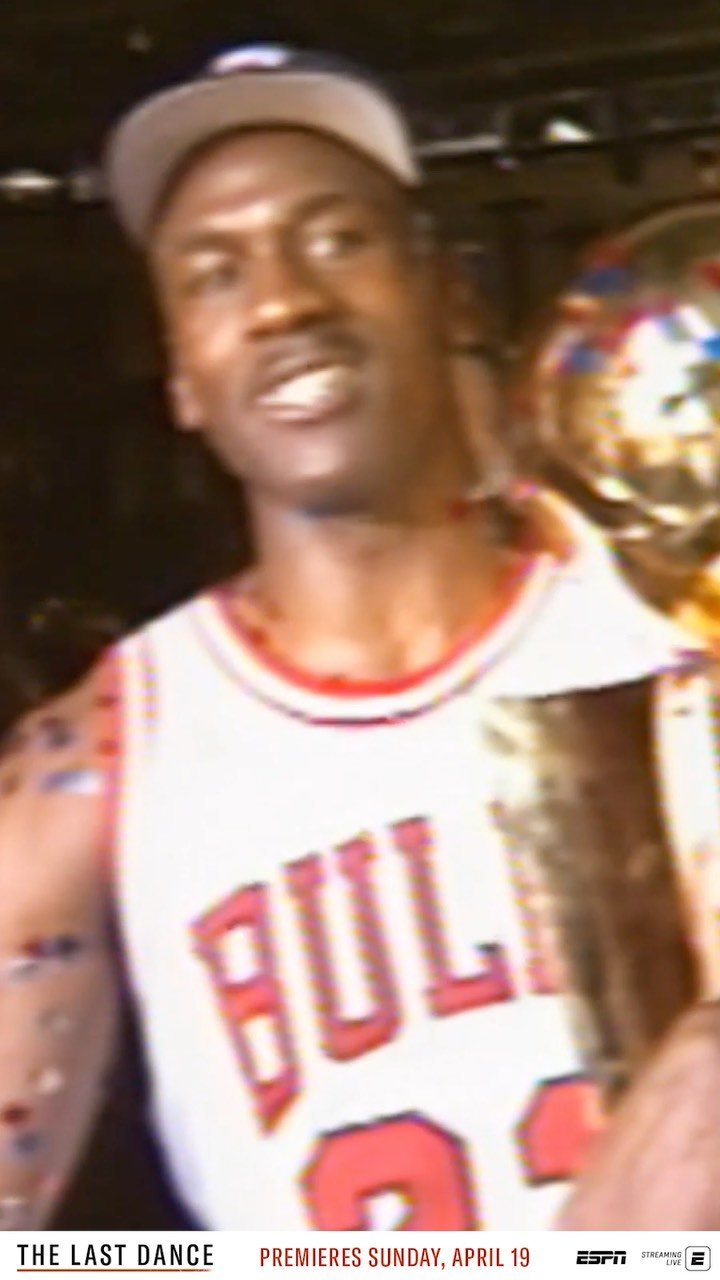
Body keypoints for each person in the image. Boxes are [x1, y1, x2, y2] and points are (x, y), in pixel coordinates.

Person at [0, 45, 719, 1233]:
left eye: (338, 239)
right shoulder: (101, 755)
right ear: (181, 375)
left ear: (452, 295)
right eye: (214, 273)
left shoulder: (665, 630)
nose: (284, 302)